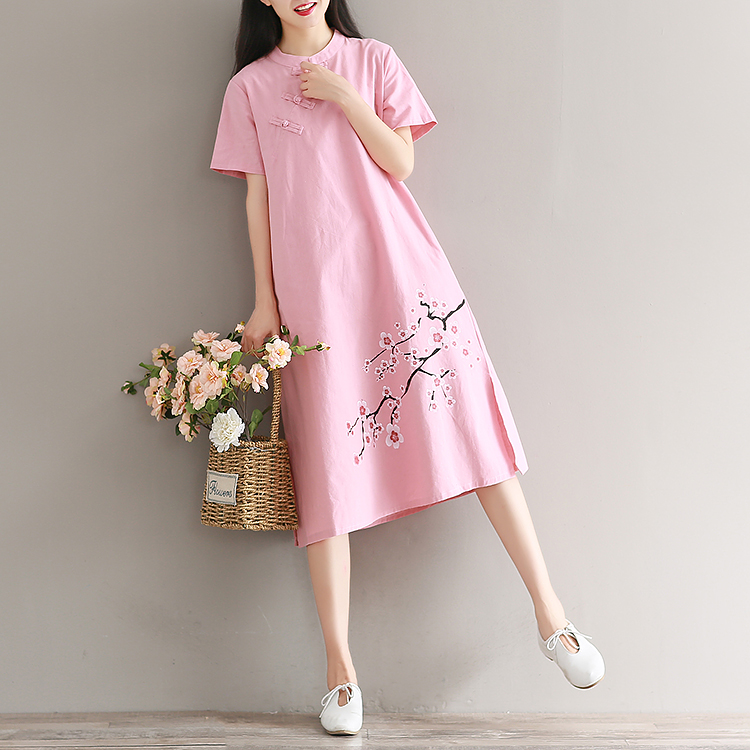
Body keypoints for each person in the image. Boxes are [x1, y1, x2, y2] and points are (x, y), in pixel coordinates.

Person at [210, 0, 605, 736]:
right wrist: (264, 299)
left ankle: (552, 618)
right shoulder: (250, 87)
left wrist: (344, 95)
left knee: (474, 435)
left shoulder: (372, 61)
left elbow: (401, 162)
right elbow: (257, 197)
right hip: (315, 300)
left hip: (403, 277)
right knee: (327, 473)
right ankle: (340, 674)